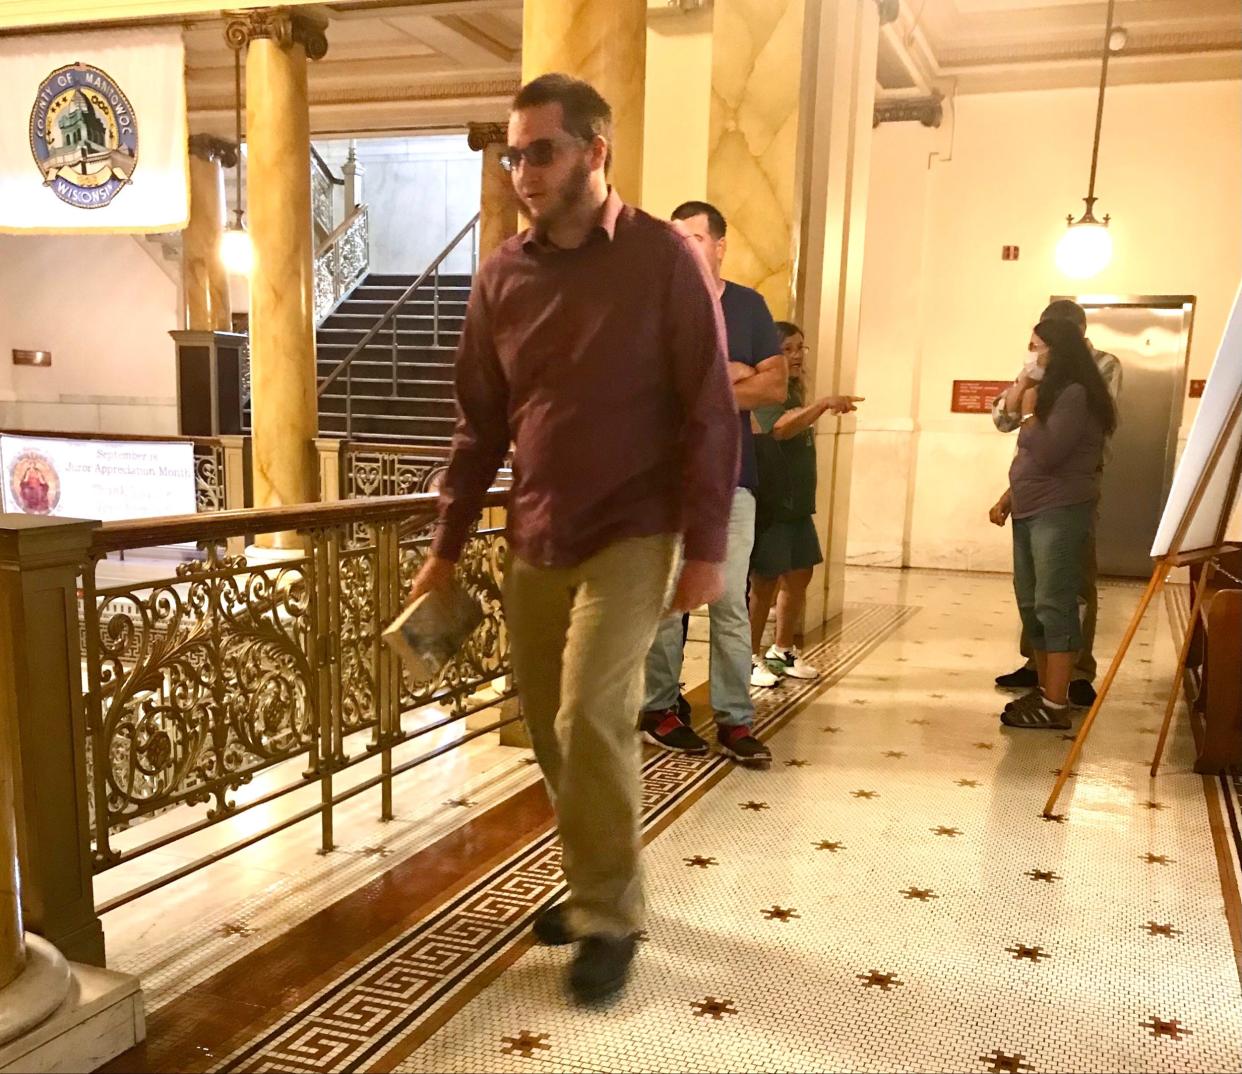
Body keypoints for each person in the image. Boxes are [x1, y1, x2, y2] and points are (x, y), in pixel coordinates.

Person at [405, 74, 740, 1003]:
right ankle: (598, 879)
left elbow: (713, 412)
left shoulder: (665, 260)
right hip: (535, 533)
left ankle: (609, 915)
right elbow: (478, 427)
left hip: (635, 529)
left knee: (589, 716)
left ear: (596, 151)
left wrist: (707, 548)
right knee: (550, 730)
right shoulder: (501, 274)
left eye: (540, 150)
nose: (521, 170)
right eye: (512, 153)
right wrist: (444, 546)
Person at [638, 200, 788, 765]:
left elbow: (774, 389)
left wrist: (705, 383)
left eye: (694, 238)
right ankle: (660, 708)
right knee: (668, 602)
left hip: (733, 482)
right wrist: (732, 374)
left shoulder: (748, 306)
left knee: (729, 604)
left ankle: (735, 720)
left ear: (719, 246)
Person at [989, 299, 1121, 708]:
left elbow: (1052, 445)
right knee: (1032, 595)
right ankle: (1041, 672)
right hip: (1032, 493)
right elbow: (1001, 418)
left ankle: (1069, 682)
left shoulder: (1094, 374)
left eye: (1039, 345)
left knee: (1065, 588)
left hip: (1065, 494)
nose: (1034, 354)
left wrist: (1029, 411)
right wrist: (1025, 388)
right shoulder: (1038, 376)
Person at [749, 322, 861, 678]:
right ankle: (747, 657)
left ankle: (781, 649)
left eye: (801, 348)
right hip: (773, 502)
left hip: (797, 503)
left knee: (800, 575)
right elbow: (780, 429)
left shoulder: (793, 390)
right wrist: (823, 405)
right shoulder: (768, 392)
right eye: (788, 349)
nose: (797, 356)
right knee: (764, 582)